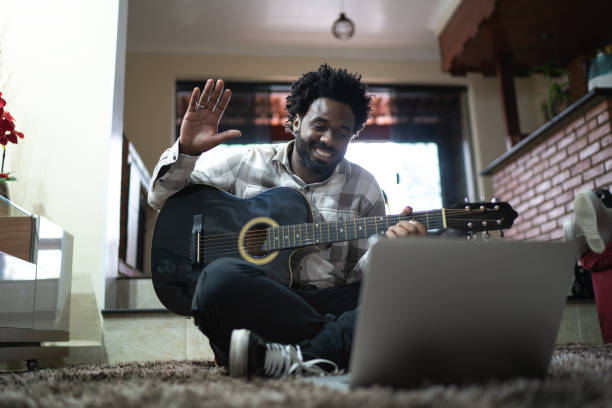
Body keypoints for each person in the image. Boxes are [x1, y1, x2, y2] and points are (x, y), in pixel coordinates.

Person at [148, 64, 426, 378]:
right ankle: (336, 347)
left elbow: (360, 280)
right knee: (216, 279)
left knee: (417, 279)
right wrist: (186, 152)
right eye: (319, 125)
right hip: (265, 307)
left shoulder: (365, 187)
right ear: (295, 122)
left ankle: (288, 358)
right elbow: (160, 198)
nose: (329, 139)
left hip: (329, 302)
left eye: (342, 132)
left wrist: (388, 250)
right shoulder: (247, 163)